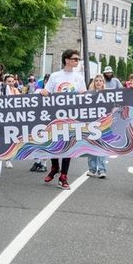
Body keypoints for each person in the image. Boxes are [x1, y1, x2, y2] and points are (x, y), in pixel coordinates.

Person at [41, 49, 87, 187]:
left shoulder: (79, 77)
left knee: (68, 145)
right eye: (75, 59)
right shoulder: (55, 76)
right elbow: (47, 92)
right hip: (55, 115)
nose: (77, 61)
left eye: (78, 59)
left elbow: (84, 94)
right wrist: (43, 92)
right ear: (66, 60)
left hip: (71, 116)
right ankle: (55, 167)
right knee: (54, 143)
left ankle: (64, 176)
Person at [86, 74, 109, 179]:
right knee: (91, 147)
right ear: (93, 83)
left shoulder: (107, 95)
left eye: (101, 80)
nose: (98, 82)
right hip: (91, 124)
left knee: (101, 147)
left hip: (103, 124)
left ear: (103, 83)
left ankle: (102, 170)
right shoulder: (89, 95)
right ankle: (92, 169)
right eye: (96, 80)